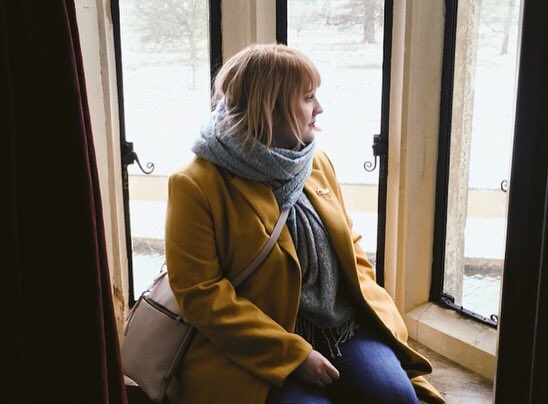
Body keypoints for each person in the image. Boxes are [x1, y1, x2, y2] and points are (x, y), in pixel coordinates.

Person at [164, 43, 445, 404]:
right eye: (308, 97)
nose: (320, 108)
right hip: (255, 347)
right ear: (270, 106)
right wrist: (294, 355)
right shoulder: (196, 184)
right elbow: (201, 294)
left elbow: (351, 245)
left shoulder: (315, 160)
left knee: (395, 397)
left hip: (340, 328)